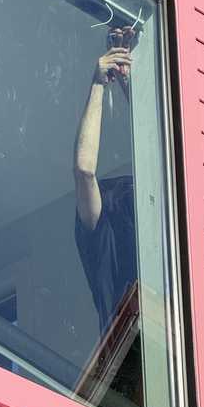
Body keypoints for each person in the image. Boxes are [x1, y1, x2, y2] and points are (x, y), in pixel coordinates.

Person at [74, 31, 136, 335]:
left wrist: (127, 79)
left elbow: (173, 159)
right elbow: (85, 171)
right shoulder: (105, 243)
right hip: (129, 347)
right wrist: (98, 83)